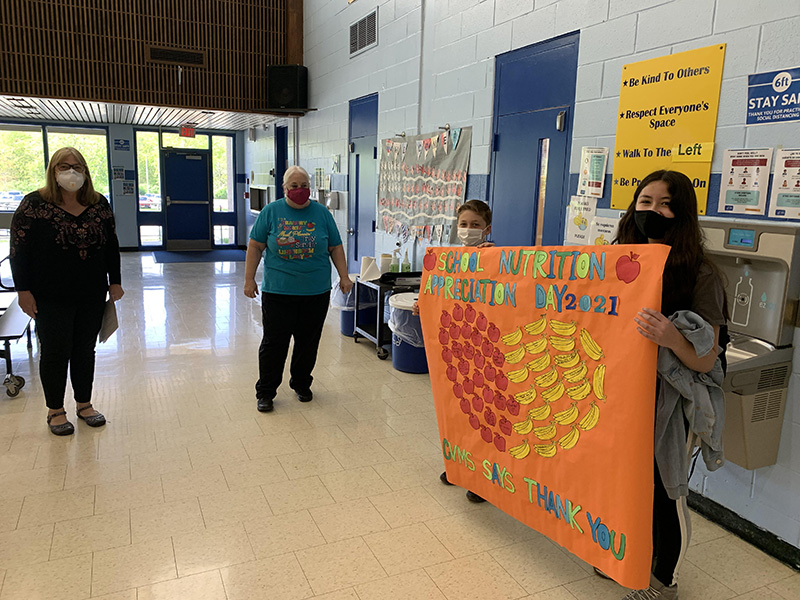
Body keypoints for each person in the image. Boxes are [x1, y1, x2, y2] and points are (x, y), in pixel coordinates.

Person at [612, 170, 728, 600]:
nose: (653, 211)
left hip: (671, 401)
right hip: (624, 394)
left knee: (665, 490)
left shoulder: (700, 274)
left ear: (682, 213)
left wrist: (671, 336)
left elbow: (704, 356)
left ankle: (664, 582)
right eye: (645, 201)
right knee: (624, 481)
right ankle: (625, 555)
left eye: (665, 203)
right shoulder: (617, 259)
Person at [10, 147, 124, 436]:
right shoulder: (34, 205)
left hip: (91, 292)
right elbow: (18, 251)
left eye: (77, 166)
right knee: (55, 351)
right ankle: (55, 410)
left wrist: (115, 281)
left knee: (85, 350)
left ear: (85, 171)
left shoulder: (99, 204)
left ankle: (84, 404)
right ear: (53, 170)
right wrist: (23, 290)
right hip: (49, 294)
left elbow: (111, 244)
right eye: (64, 166)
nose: (71, 172)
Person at [244, 165, 353, 413]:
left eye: (304, 185)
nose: (300, 190)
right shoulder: (271, 212)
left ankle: (302, 383)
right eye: (294, 186)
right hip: (278, 292)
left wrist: (344, 276)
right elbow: (255, 246)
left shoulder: (322, 213)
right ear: (284, 189)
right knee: (274, 344)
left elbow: (335, 247)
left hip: (315, 292)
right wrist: (249, 279)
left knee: (308, 343)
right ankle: (266, 392)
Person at [415, 199, 494, 503]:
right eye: (464, 224)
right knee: (457, 411)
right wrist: (427, 303)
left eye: (475, 225)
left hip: (484, 352)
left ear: (487, 228)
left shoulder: (496, 258)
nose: (468, 230)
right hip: (456, 349)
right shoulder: (449, 260)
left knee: (482, 415)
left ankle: (482, 480)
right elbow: (440, 295)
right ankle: (458, 465)